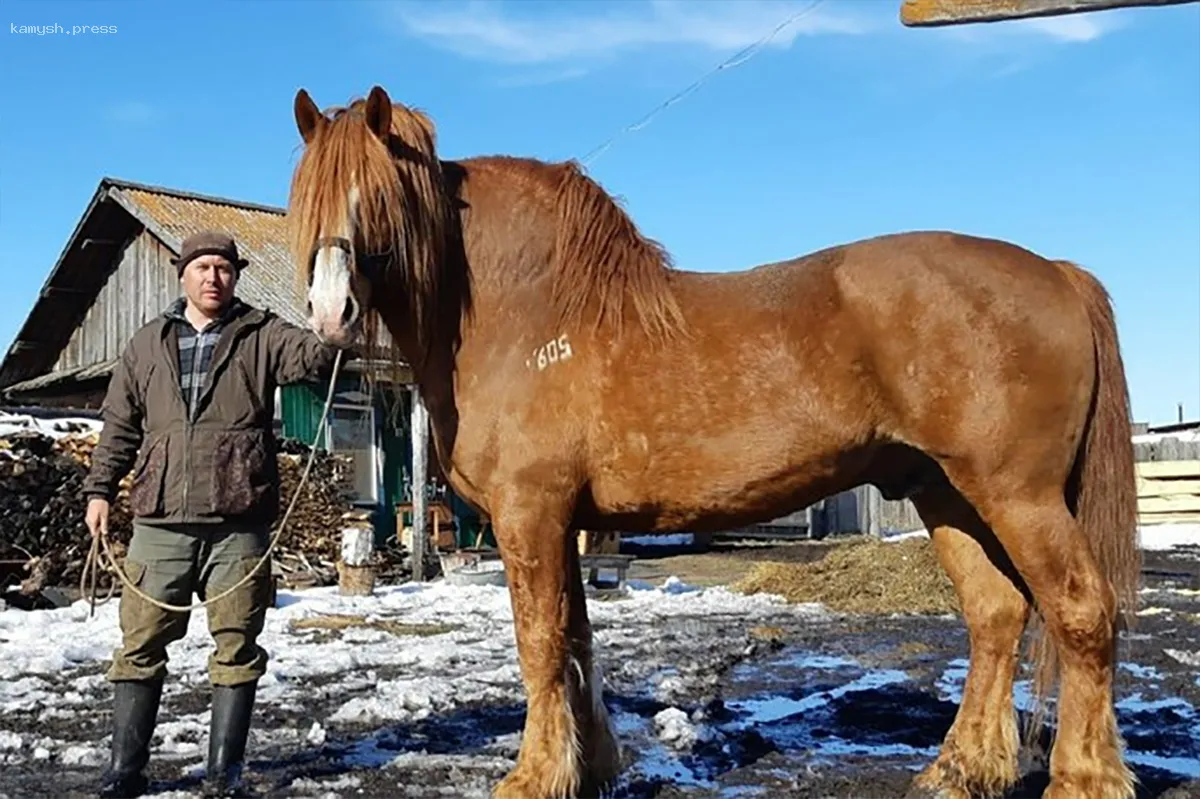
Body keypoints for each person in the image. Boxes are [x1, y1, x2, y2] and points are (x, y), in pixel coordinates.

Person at [82, 230, 336, 798]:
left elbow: (314, 357)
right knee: (139, 646)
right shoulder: (147, 342)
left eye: (223, 268)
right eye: (202, 267)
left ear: (235, 275)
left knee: (237, 649)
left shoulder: (262, 333)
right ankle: (125, 771)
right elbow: (119, 426)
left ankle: (224, 777)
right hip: (160, 521)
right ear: (183, 274)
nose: (213, 277)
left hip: (238, 524)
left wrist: (336, 319)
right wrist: (100, 490)